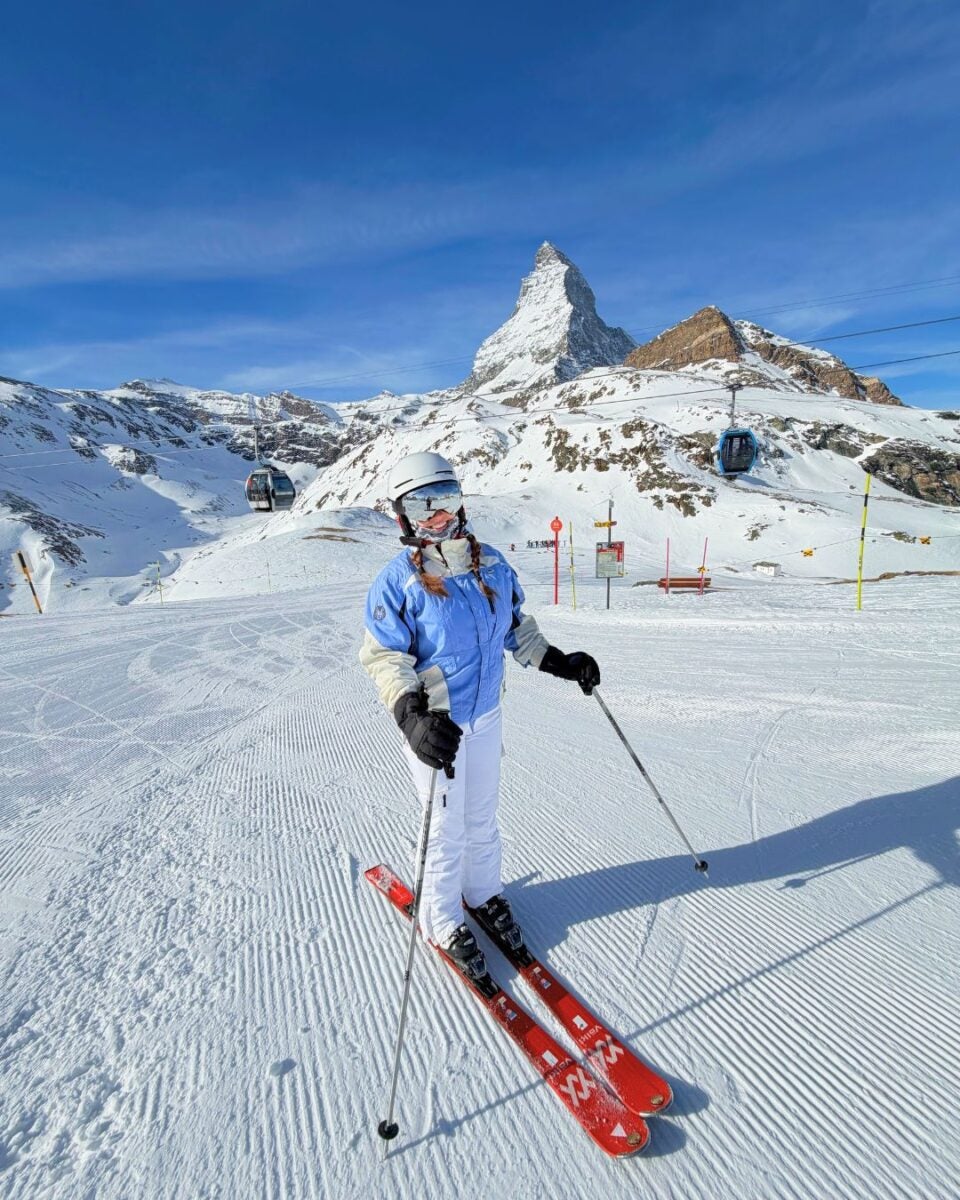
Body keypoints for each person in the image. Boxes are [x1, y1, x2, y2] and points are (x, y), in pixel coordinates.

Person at [359, 452, 600, 981]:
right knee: (446, 827)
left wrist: (559, 661)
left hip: (486, 717)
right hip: (437, 729)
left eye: (446, 500)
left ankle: (482, 892)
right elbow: (385, 657)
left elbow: (516, 629)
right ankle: (440, 919)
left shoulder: (490, 562)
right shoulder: (399, 580)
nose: (439, 517)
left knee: (481, 817)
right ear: (404, 517)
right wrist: (410, 715)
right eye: (424, 507)